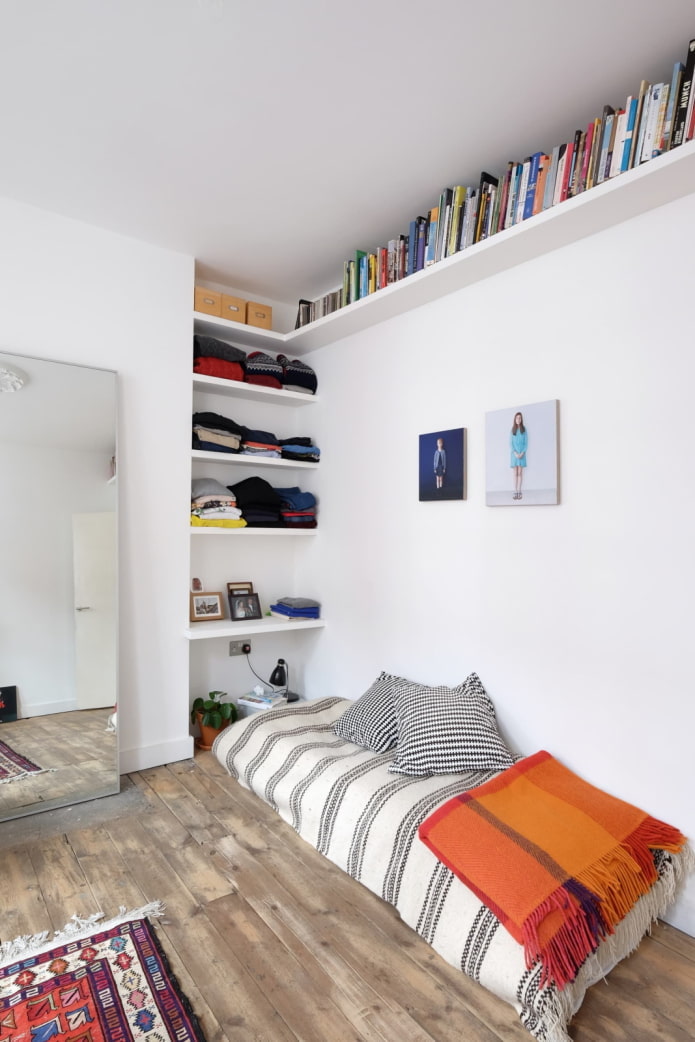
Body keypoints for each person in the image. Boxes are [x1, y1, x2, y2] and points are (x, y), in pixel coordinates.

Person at [510, 411, 527, 500]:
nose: (518, 419)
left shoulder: (524, 430)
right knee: (515, 473)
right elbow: (510, 443)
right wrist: (515, 453)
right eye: (517, 418)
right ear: (515, 419)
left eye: (520, 418)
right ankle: (515, 491)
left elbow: (526, 443)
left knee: (520, 473)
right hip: (514, 455)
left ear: (521, 419)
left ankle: (519, 491)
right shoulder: (512, 430)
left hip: (522, 454)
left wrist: (522, 453)